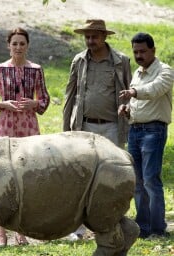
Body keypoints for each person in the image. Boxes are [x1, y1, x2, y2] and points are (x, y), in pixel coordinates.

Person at [63, 19, 132, 240]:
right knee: (80, 176)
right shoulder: (79, 60)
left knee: (112, 177)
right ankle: (79, 229)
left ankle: (111, 224)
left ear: (104, 37)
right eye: (87, 37)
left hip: (112, 126)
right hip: (84, 126)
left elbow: (130, 92)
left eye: (94, 37)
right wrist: (66, 130)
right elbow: (70, 96)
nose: (90, 41)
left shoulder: (121, 61)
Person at [0, 27, 50, 247]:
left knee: (26, 179)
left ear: (27, 45)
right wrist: (4, 104)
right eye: (14, 44)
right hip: (6, 127)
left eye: (22, 43)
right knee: (5, 179)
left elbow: (45, 100)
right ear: (8, 46)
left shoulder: (36, 70)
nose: (18, 47)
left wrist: (34, 103)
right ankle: (2, 233)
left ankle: (21, 231)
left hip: (29, 127)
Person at [118, 32, 174, 239]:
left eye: (142, 51)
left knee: (151, 179)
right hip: (136, 130)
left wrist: (133, 93)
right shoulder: (138, 73)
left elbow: (155, 89)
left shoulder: (165, 71)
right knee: (137, 181)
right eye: (135, 52)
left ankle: (158, 229)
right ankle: (143, 227)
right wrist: (127, 109)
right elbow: (139, 100)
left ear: (153, 50)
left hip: (154, 130)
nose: (139, 55)